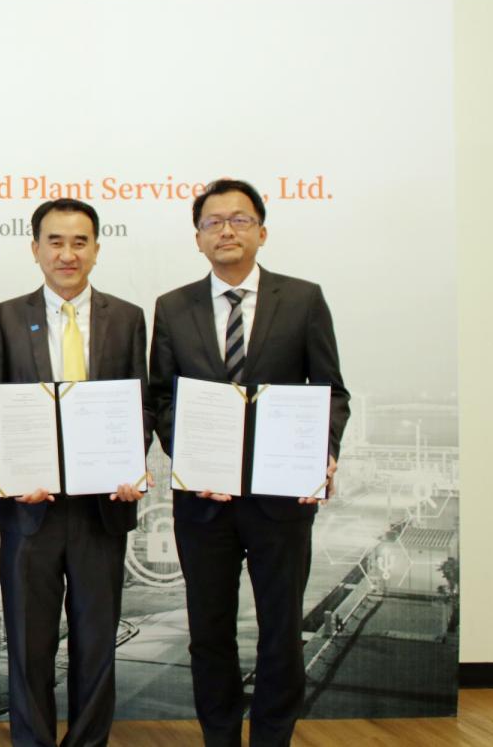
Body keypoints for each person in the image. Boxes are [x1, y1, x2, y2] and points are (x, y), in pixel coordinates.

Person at [150, 178, 349, 747]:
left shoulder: (304, 299)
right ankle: (218, 736)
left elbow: (332, 391)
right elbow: (161, 397)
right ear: (198, 239)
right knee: (208, 631)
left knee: (280, 630)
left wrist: (323, 450)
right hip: (203, 503)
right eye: (214, 222)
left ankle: (272, 737)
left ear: (262, 231)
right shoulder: (173, 306)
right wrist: (188, 455)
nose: (227, 230)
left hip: (281, 500)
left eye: (240, 220)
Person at [0, 199, 150, 747]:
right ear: (35, 249)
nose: (67, 253)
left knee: (96, 645)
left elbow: (140, 405)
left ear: (97, 250)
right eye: (55, 241)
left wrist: (131, 465)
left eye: (80, 242)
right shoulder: (3, 318)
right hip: (30, 510)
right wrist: (8, 472)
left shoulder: (127, 318)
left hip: (103, 510)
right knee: (29, 645)